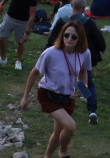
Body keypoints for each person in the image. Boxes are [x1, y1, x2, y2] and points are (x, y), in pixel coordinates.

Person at [20, 20, 90, 158]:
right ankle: (63, 152)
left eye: (74, 37)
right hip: (48, 94)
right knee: (70, 127)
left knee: (59, 132)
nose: (69, 39)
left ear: (80, 39)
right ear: (62, 35)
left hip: (67, 97)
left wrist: (84, 88)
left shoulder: (84, 53)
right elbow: (34, 73)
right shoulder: (50, 53)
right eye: (66, 35)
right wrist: (25, 97)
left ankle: (47, 156)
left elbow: (83, 71)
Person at [46, 0, 107, 125]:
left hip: (64, 59)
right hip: (82, 59)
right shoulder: (89, 23)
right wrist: (101, 48)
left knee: (64, 81)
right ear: (84, 8)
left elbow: (51, 40)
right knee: (87, 82)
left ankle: (58, 107)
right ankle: (91, 110)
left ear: (72, 5)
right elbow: (100, 40)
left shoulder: (63, 21)